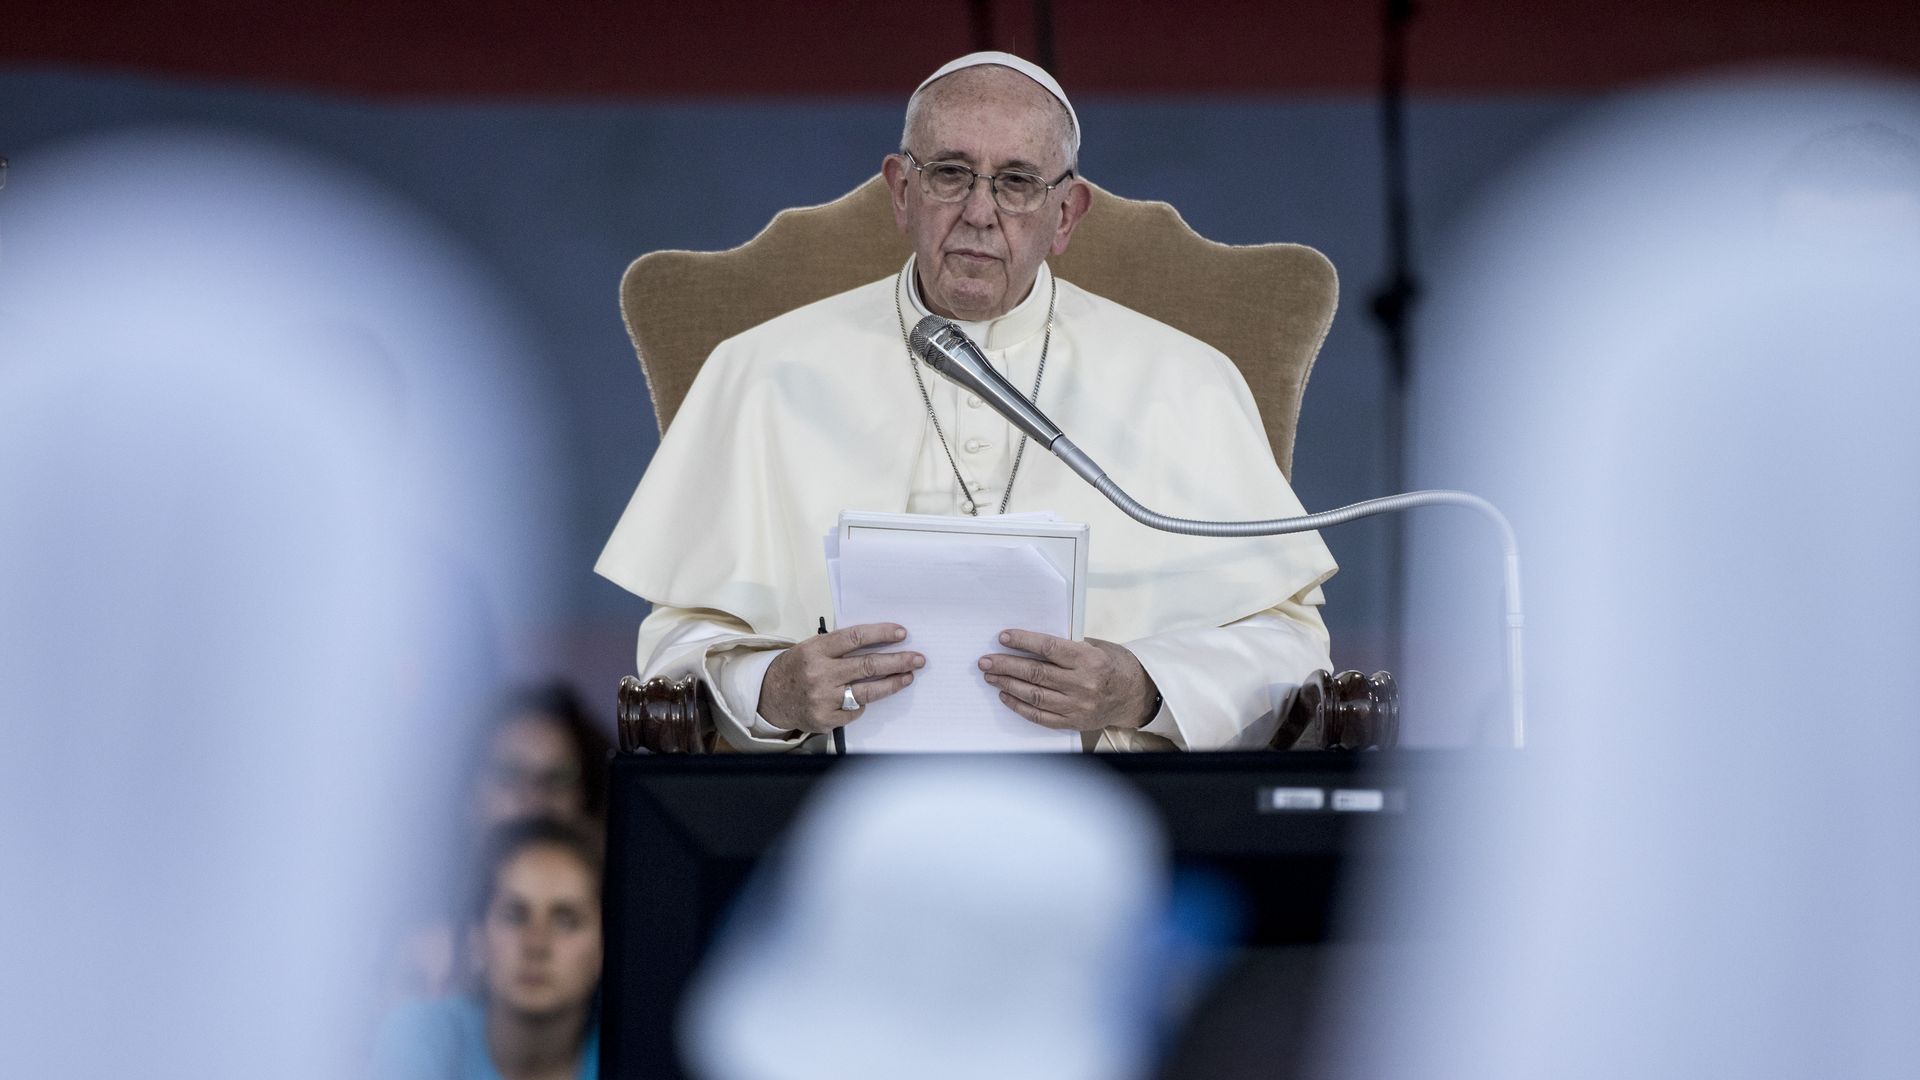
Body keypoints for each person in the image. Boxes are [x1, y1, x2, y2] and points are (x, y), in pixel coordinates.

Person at [597, 52, 1337, 752]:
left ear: (1068, 214)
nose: (981, 212)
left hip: (1120, 817)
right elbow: (675, 648)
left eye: (1017, 182)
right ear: (901, 191)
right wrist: (774, 688)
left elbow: (1290, 648)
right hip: (824, 823)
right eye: (951, 173)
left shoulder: (1185, 382)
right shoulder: (760, 372)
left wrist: (1141, 689)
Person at [373, 818, 604, 1080]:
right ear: (478, 937)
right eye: (514, 915)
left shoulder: (635, 1053)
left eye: (566, 921)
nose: (536, 944)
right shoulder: (420, 1036)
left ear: (605, 947)